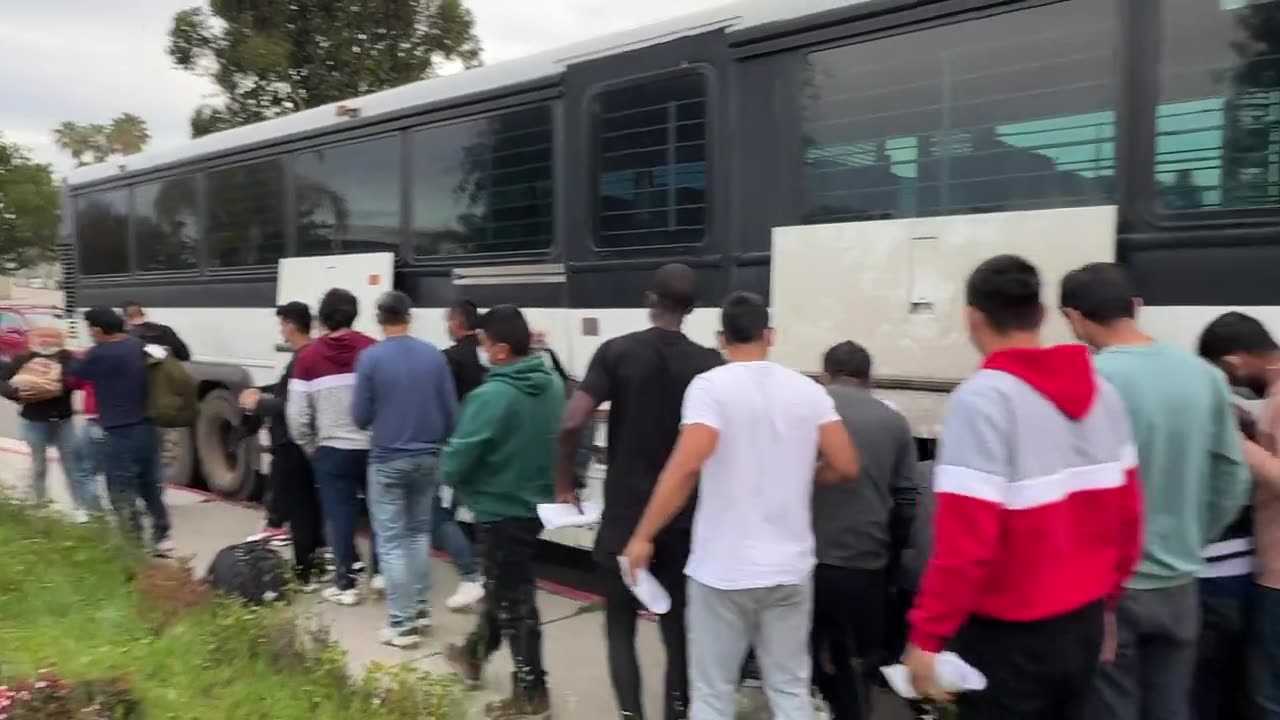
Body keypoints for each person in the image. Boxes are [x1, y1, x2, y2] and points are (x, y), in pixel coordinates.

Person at [903, 255, 1143, 720]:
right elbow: (1129, 515)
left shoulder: (983, 399)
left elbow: (965, 544)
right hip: (1084, 621)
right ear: (1042, 315)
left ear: (973, 318)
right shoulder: (1104, 391)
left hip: (1009, 639)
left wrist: (927, 637)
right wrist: (1108, 607)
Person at [621, 291, 860, 720]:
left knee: (713, 694)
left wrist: (643, 535)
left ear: (720, 339)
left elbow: (686, 467)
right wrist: (806, 475)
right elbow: (845, 465)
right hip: (791, 570)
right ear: (770, 335)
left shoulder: (711, 387)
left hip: (723, 571)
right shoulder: (808, 390)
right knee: (790, 689)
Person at [1058, 262, 1251, 720]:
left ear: (1074, 317)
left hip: (1108, 589)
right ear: (1137, 307)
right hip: (1182, 583)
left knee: (1110, 707)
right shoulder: (1204, 376)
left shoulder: (1085, 381)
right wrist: (1191, 536)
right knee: (1171, 707)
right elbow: (1233, 476)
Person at [555, 263, 721, 720]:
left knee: (620, 626)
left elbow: (572, 420)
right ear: (693, 308)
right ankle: (678, 711)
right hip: (684, 516)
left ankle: (631, 714)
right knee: (677, 628)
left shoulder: (616, 352)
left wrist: (565, 483)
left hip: (627, 517)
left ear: (651, 300)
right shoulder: (709, 363)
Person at [442, 305, 562, 720]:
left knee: (516, 604)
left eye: (484, 343)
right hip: (536, 506)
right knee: (503, 587)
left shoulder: (491, 396)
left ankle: (532, 694)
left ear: (501, 350)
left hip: (498, 509)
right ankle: (473, 656)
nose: (481, 349)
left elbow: (458, 458)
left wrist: (452, 474)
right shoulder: (551, 385)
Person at [812, 340, 918, 720]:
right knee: (857, 666)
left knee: (798, 661)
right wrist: (892, 559)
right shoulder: (893, 422)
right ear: (868, 378)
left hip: (803, 564)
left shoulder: (806, 413)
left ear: (825, 375)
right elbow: (907, 501)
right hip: (864, 566)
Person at [353, 291, 458, 648]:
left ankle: (401, 624)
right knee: (417, 536)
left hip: (387, 459)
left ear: (380, 319)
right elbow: (451, 414)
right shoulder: (433, 356)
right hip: (429, 457)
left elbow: (360, 415)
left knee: (392, 541)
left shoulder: (370, 358)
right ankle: (422, 610)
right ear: (408, 317)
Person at [1195, 311, 1280, 719]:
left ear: (1232, 363)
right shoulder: (1264, 406)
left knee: (1262, 699)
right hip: (1257, 575)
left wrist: (1234, 444)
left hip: (1268, 580)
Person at [286, 288, 377, 607]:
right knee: (381, 513)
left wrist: (313, 448)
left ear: (322, 318)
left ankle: (346, 584)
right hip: (372, 448)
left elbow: (297, 416)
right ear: (353, 314)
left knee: (340, 517)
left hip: (332, 450)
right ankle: (381, 575)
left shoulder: (307, 357)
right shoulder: (372, 350)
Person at [69, 307, 173, 555]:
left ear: (96, 329)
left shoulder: (98, 354)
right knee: (149, 484)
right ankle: (162, 534)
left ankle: (133, 543)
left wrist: (67, 354)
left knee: (120, 489)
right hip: (147, 428)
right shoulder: (136, 345)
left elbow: (74, 373)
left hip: (119, 433)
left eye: (89, 328)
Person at [238, 302, 326, 591]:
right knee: (310, 507)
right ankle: (317, 561)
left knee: (300, 510)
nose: (281, 329)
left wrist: (258, 402)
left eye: (282, 324)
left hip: (291, 443)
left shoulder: (302, 358)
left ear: (290, 324)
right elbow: (287, 390)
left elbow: (291, 403)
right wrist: (262, 390)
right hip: (304, 443)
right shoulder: (311, 354)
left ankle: (305, 572)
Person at [0, 323, 99, 518]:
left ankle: (81, 508)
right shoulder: (22, 359)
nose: (46, 341)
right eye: (41, 337)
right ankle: (39, 504)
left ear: (61, 340)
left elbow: (75, 381)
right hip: (33, 421)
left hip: (64, 421)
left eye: (51, 337)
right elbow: (2, 381)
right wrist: (14, 393)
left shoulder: (68, 358)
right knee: (38, 465)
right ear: (32, 340)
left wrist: (52, 384)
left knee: (71, 464)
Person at [437, 298, 488, 612]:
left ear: (457, 323)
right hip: (487, 443)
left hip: (457, 446)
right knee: (483, 508)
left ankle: (472, 575)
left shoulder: (448, 359)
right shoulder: (489, 356)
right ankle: (489, 571)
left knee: (440, 514)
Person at [122, 301, 190, 361]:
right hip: (169, 369)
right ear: (143, 314)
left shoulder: (127, 339)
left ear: (125, 318)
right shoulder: (166, 330)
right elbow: (184, 356)